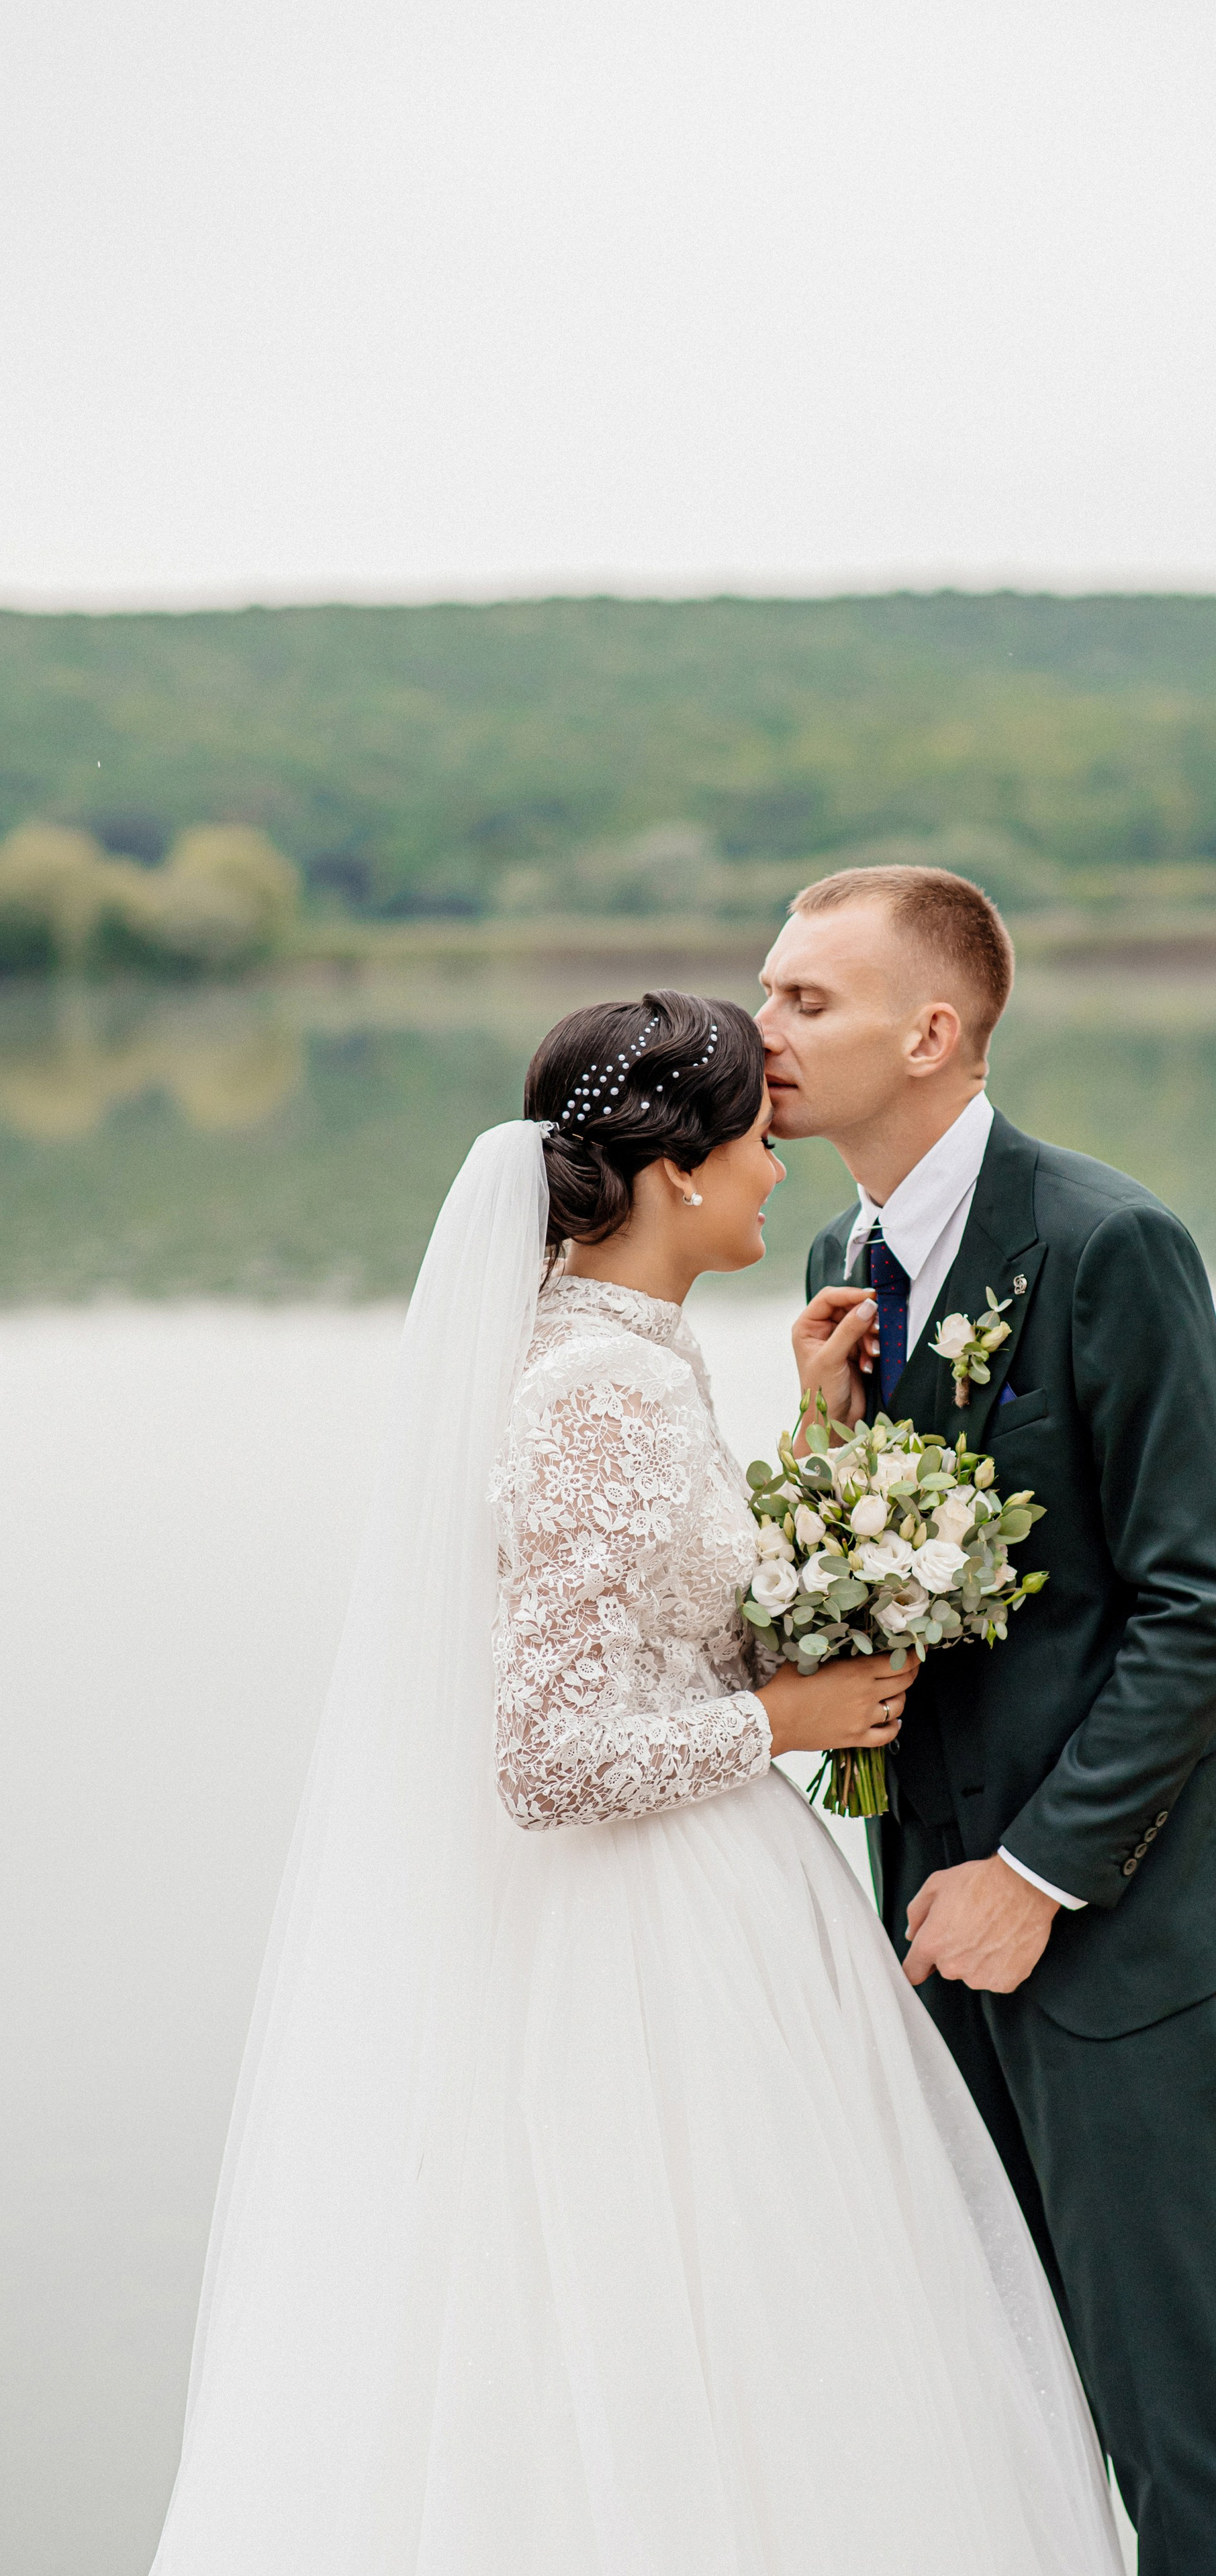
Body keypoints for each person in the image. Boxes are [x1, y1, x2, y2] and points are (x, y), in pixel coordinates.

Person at [148, 989, 1120, 2576]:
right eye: (754, 1145)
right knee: (682, 2330)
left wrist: (819, 1436)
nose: (777, 1173)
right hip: (643, 1945)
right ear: (676, 1173)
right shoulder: (593, 1390)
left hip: (707, 1897)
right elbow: (546, 1757)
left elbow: (674, 1624)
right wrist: (784, 1720)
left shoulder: (629, 1360)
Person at [765, 869, 1216, 2576]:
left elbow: (1197, 1605)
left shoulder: (1104, 1244)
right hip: (926, 1909)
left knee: (1165, 2411)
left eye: (805, 1001)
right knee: (990, 2386)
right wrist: (825, 1431)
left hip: (1110, 1913)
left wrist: (1034, 1875)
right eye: (768, 993)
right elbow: (896, 1599)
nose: (761, 1029)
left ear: (929, 1033)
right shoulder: (839, 1262)